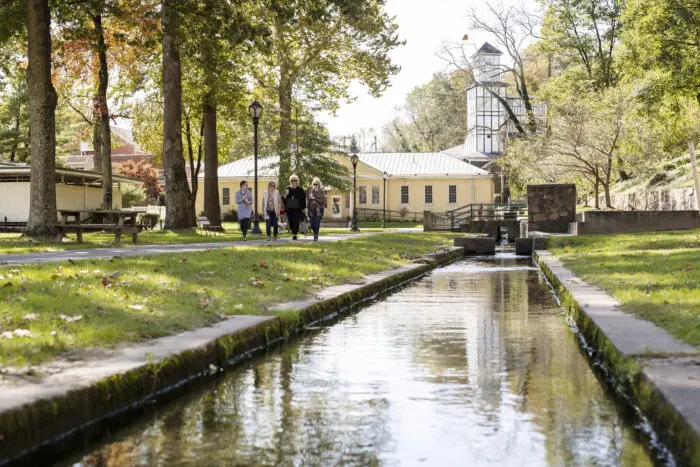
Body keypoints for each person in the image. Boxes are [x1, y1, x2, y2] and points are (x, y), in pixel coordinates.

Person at [281, 174, 306, 240]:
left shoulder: (300, 189)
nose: (293, 182)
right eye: (292, 180)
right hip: (289, 209)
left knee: (296, 221)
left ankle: (294, 234)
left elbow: (303, 199)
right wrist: (285, 195)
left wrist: (303, 208)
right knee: (291, 221)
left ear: (297, 181)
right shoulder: (287, 189)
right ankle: (293, 232)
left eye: (295, 180)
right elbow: (283, 198)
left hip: (297, 209)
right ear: (290, 181)